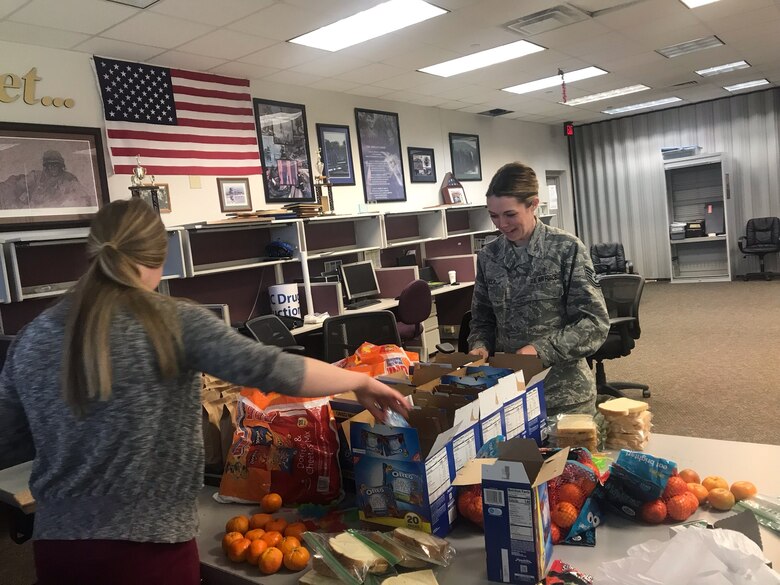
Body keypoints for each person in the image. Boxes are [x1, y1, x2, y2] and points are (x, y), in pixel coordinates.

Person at [0, 198, 409, 585]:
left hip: (57, 548)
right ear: (160, 259)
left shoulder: (32, 337)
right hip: (150, 549)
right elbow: (276, 369)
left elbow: (10, 440)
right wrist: (360, 380)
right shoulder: (170, 321)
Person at [467, 162, 609, 417]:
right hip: (510, 395)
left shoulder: (566, 248)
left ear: (533, 204)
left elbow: (594, 323)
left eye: (509, 215)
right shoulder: (489, 256)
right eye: (493, 216)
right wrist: (479, 346)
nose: (501, 224)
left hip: (564, 394)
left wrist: (540, 351)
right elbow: (482, 320)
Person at [0, 149, 94, 209]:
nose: (53, 167)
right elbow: (13, 185)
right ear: (46, 166)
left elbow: (85, 201)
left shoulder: (70, 180)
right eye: (50, 164)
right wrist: (17, 205)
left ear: (61, 166)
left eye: (56, 164)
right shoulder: (36, 176)